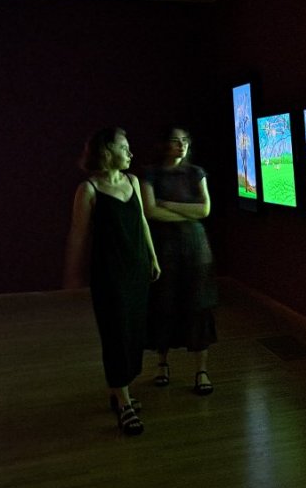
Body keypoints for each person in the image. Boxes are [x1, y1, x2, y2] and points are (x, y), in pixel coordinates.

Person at [63, 126, 161, 436]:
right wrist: (73, 275)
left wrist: (153, 257)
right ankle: (124, 403)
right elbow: (78, 235)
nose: (130, 152)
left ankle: (119, 391)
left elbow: (142, 221)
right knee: (115, 333)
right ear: (107, 152)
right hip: (109, 275)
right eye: (124, 147)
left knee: (133, 331)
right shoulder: (89, 190)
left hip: (136, 270)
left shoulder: (132, 182)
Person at [141, 126, 217, 396]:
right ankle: (162, 364)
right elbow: (150, 212)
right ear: (164, 144)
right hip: (164, 248)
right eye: (175, 141)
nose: (181, 145)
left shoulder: (196, 172)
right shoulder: (151, 173)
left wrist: (168, 204)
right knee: (163, 303)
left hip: (196, 249)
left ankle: (201, 370)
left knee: (199, 305)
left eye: (185, 140)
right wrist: (188, 212)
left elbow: (204, 209)